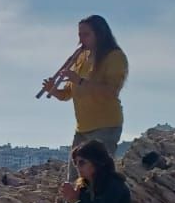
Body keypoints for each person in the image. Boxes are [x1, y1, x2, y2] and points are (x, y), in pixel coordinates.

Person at [41, 14, 128, 180]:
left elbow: (112, 90)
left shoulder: (115, 57)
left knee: (99, 177)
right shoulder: (81, 58)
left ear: (100, 34)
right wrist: (53, 90)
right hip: (82, 129)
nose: (81, 39)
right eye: (79, 35)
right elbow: (67, 94)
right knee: (74, 178)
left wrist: (79, 80)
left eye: (86, 34)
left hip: (106, 126)